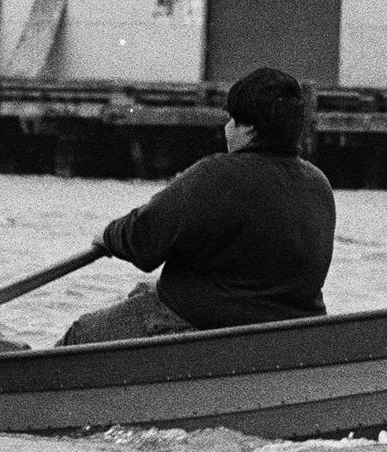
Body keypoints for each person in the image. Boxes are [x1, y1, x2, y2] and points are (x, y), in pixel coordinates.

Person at [57, 66, 336, 347]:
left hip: (208, 324)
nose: (227, 128)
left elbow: (144, 238)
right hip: (292, 331)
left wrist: (108, 236)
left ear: (250, 128)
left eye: (232, 120)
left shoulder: (217, 174)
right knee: (142, 291)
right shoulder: (318, 184)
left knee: (80, 333)